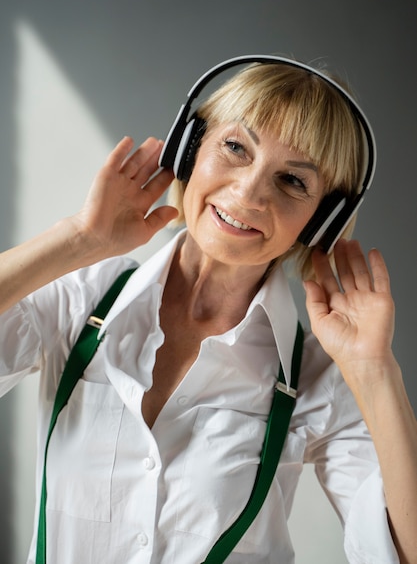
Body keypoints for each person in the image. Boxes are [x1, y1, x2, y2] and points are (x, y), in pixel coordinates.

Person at [0, 57, 416, 564]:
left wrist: (376, 371)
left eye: (292, 182)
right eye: (236, 147)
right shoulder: (80, 299)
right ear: (189, 149)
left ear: (323, 221)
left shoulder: (317, 379)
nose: (249, 192)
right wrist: (78, 240)